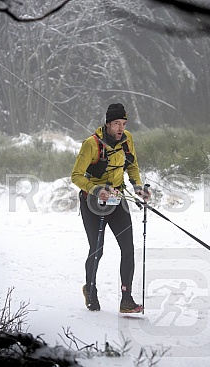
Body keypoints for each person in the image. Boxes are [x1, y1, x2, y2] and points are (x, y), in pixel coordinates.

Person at [71, 103, 151, 313]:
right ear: (107, 123)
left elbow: (132, 164)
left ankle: (126, 299)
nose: (120, 128)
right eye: (116, 123)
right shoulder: (91, 144)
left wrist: (138, 186)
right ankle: (90, 289)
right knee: (97, 250)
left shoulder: (127, 140)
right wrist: (96, 190)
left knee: (128, 248)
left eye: (123, 124)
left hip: (116, 198)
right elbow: (76, 176)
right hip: (92, 202)